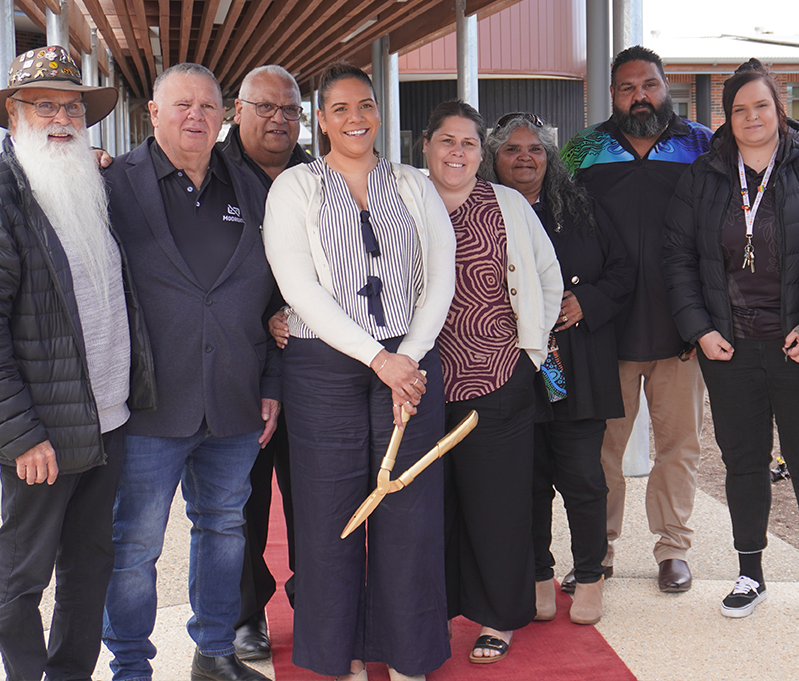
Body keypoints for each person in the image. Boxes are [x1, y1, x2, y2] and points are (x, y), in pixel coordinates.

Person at [0, 46, 155, 681]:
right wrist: (23, 436)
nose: (61, 118)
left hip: (107, 421)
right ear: (13, 114)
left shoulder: (86, 183)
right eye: (45, 105)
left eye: (71, 107)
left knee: (89, 569)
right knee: (25, 574)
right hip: (41, 435)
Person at [262, 62, 456, 681]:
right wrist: (377, 357)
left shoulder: (413, 185)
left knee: (411, 512)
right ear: (320, 119)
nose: (355, 118)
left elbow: (440, 276)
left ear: (379, 113)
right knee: (328, 513)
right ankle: (337, 656)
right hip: (324, 364)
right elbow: (298, 285)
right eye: (340, 108)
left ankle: (407, 658)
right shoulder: (296, 187)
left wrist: (409, 358)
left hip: (413, 357)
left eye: (365, 106)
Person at [102, 62, 280, 681]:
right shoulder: (112, 184)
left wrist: (272, 385)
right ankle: (130, 666)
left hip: (233, 397)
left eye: (207, 106)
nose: (196, 117)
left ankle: (214, 652)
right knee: (135, 546)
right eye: (181, 106)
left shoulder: (252, 188)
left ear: (224, 115)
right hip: (150, 402)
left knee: (225, 530)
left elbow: (278, 295)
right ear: (153, 114)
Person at [662, 58, 799, 623]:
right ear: (727, 118)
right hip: (730, 347)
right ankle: (750, 572)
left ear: (780, 109)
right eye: (739, 109)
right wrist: (699, 328)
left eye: (761, 106)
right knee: (743, 462)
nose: (751, 117)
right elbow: (678, 259)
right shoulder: (703, 174)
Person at [561, 45, 714, 595]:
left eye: (648, 85)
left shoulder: (701, 143)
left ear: (665, 85)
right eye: (627, 88)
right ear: (612, 95)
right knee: (601, 448)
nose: (639, 96)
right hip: (605, 328)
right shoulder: (583, 149)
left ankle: (673, 547)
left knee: (680, 444)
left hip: (681, 327)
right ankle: (596, 547)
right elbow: (562, 226)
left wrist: (707, 318)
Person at [483, 112, 633, 626]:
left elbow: (623, 271)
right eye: (511, 150)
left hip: (574, 366)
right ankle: (539, 575)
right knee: (527, 480)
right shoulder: (479, 209)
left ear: (549, 157)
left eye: (535, 149)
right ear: (493, 158)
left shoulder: (582, 208)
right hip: (509, 371)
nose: (525, 158)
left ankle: (590, 576)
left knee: (583, 478)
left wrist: (586, 301)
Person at [424, 101, 562, 663]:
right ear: (427, 147)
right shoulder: (404, 201)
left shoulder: (505, 204)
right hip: (422, 385)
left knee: (498, 507)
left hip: (499, 381)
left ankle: (497, 619)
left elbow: (548, 278)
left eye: (469, 144)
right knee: (430, 510)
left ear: (481, 155)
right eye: (447, 141)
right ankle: (428, 613)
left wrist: (529, 352)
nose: (457, 152)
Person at [222, 64, 314, 663]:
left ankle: (319, 601)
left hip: (310, 365)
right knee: (241, 504)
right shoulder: (210, 169)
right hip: (235, 370)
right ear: (238, 108)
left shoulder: (320, 174)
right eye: (266, 107)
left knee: (316, 498)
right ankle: (245, 612)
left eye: (290, 110)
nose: (279, 119)